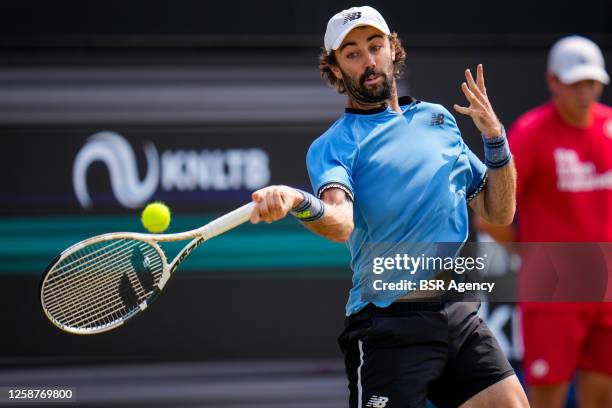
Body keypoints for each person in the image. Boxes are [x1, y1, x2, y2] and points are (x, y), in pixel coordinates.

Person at [250, 6, 528, 407]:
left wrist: (496, 139)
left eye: (375, 46)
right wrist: (297, 200)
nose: (368, 60)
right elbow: (339, 223)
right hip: (388, 326)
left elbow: (499, 212)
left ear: (392, 50)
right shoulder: (334, 145)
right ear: (335, 68)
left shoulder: (439, 120)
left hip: (457, 314)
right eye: (352, 53)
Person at [478, 36, 612, 408]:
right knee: (547, 397)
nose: (585, 93)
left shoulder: (610, 126)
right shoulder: (531, 132)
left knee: (603, 396)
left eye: (591, 83)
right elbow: (490, 211)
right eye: (575, 83)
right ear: (554, 81)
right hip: (553, 292)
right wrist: (532, 254)